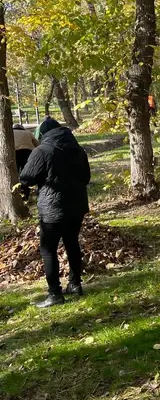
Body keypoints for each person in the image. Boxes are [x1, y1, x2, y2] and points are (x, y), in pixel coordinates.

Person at [19, 118, 91, 308]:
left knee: (48, 249)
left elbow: (26, 178)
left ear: (43, 134)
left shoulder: (42, 151)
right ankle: (75, 284)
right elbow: (86, 177)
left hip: (53, 208)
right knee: (72, 243)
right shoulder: (78, 149)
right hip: (77, 206)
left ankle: (55, 294)